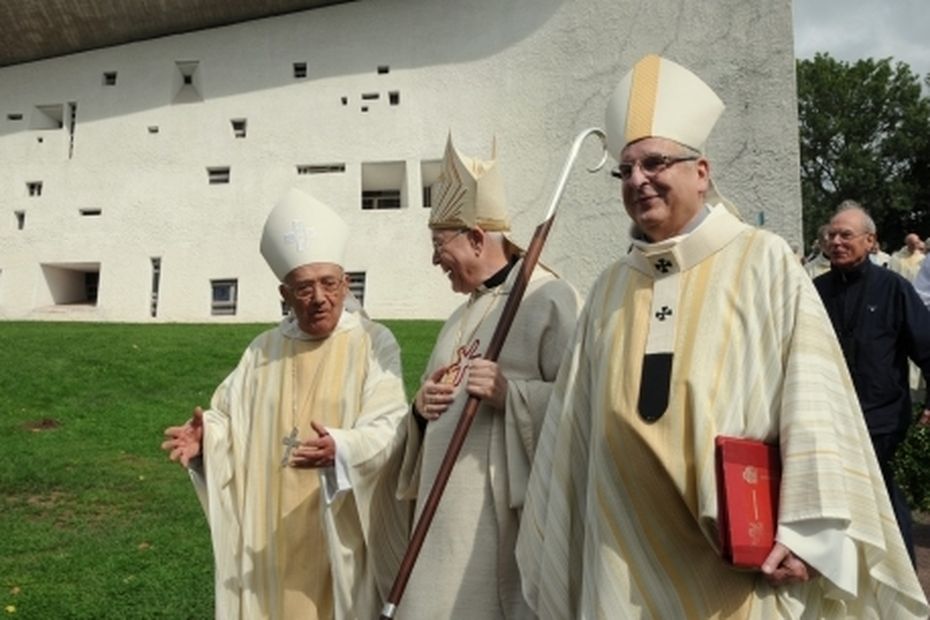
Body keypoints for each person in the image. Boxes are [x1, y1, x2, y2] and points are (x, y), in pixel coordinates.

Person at [516, 54, 928, 619]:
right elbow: (574, 425)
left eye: (655, 162)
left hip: (733, 561)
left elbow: (815, 401)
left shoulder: (763, 262)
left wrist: (808, 531)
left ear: (702, 171)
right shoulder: (611, 285)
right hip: (619, 548)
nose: (638, 178)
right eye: (626, 168)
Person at [161, 189, 409, 619]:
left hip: (339, 524)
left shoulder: (373, 342)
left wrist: (344, 448)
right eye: (304, 287)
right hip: (268, 532)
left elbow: (391, 425)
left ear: (346, 283)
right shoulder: (262, 350)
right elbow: (229, 417)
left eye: (329, 283)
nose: (319, 298)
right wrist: (208, 439)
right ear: (285, 293)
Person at [395, 135, 579, 618]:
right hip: (438, 521)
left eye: (440, 246)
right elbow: (434, 394)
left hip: (497, 525)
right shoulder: (461, 315)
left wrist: (511, 395)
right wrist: (421, 406)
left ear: (477, 238)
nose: (435, 260)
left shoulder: (548, 299)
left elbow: (581, 405)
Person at [812, 201, 930, 565]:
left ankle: (903, 583)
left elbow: (926, 346)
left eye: (846, 235)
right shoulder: (813, 291)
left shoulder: (893, 288)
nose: (836, 241)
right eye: (831, 235)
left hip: (881, 420)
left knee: (884, 504)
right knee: (836, 508)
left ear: (870, 241)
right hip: (828, 420)